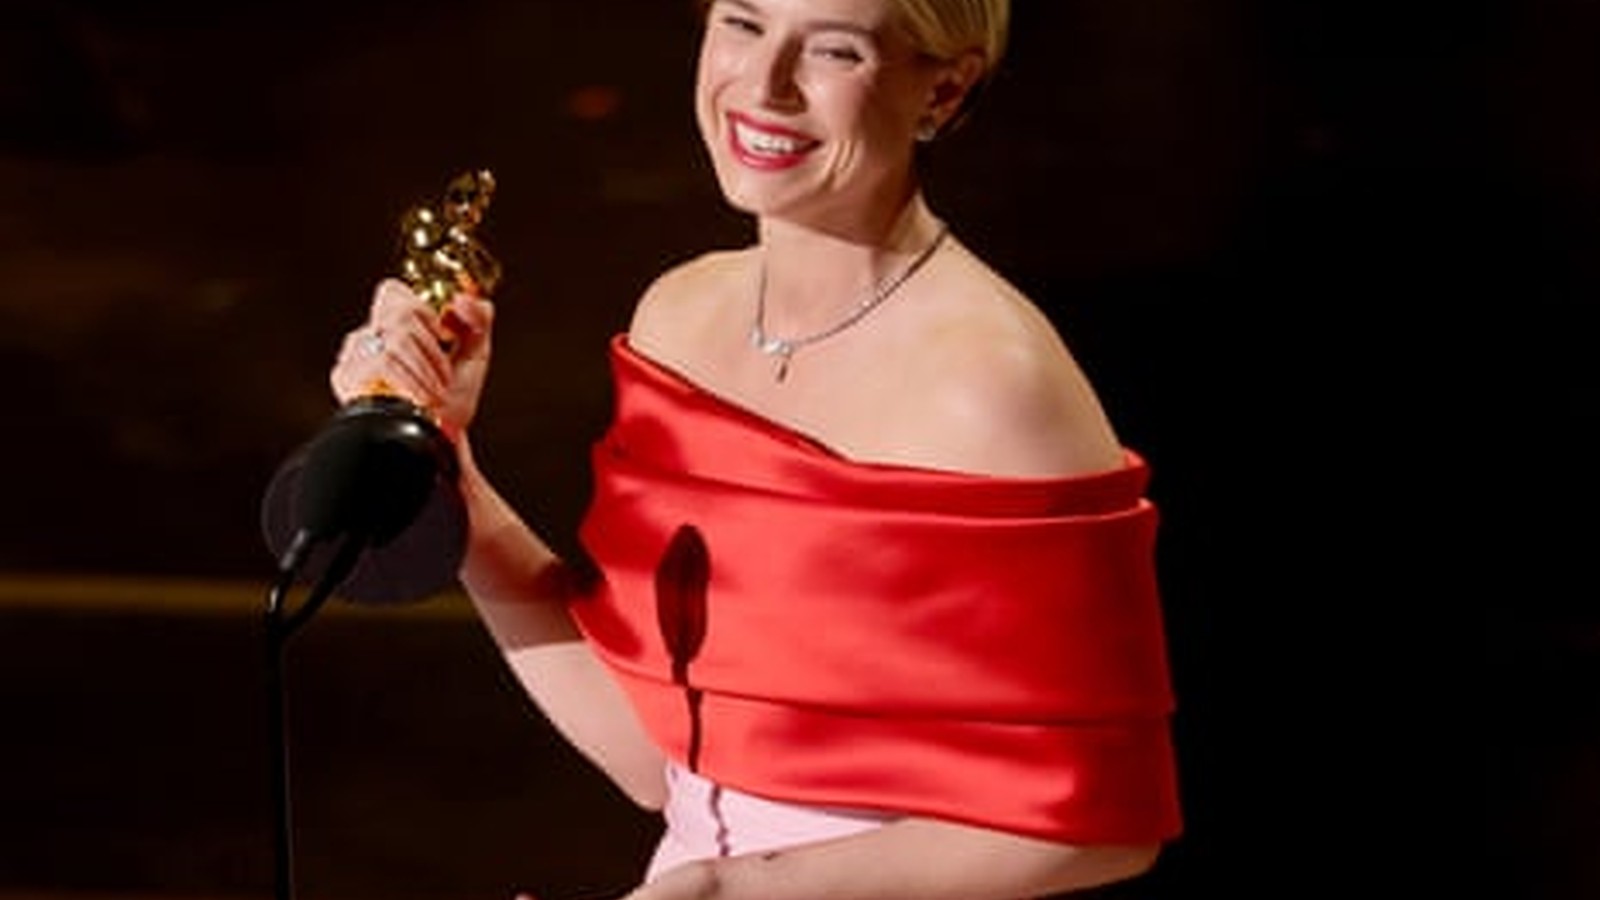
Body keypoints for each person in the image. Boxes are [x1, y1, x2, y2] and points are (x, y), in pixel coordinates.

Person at [329, 0, 1182, 896]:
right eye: (742, 24)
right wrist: (447, 471)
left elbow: (1101, 827)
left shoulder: (992, 383)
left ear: (945, 88)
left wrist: (733, 888)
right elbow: (657, 757)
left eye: (834, 50)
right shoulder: (680, 318)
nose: (764, 87)